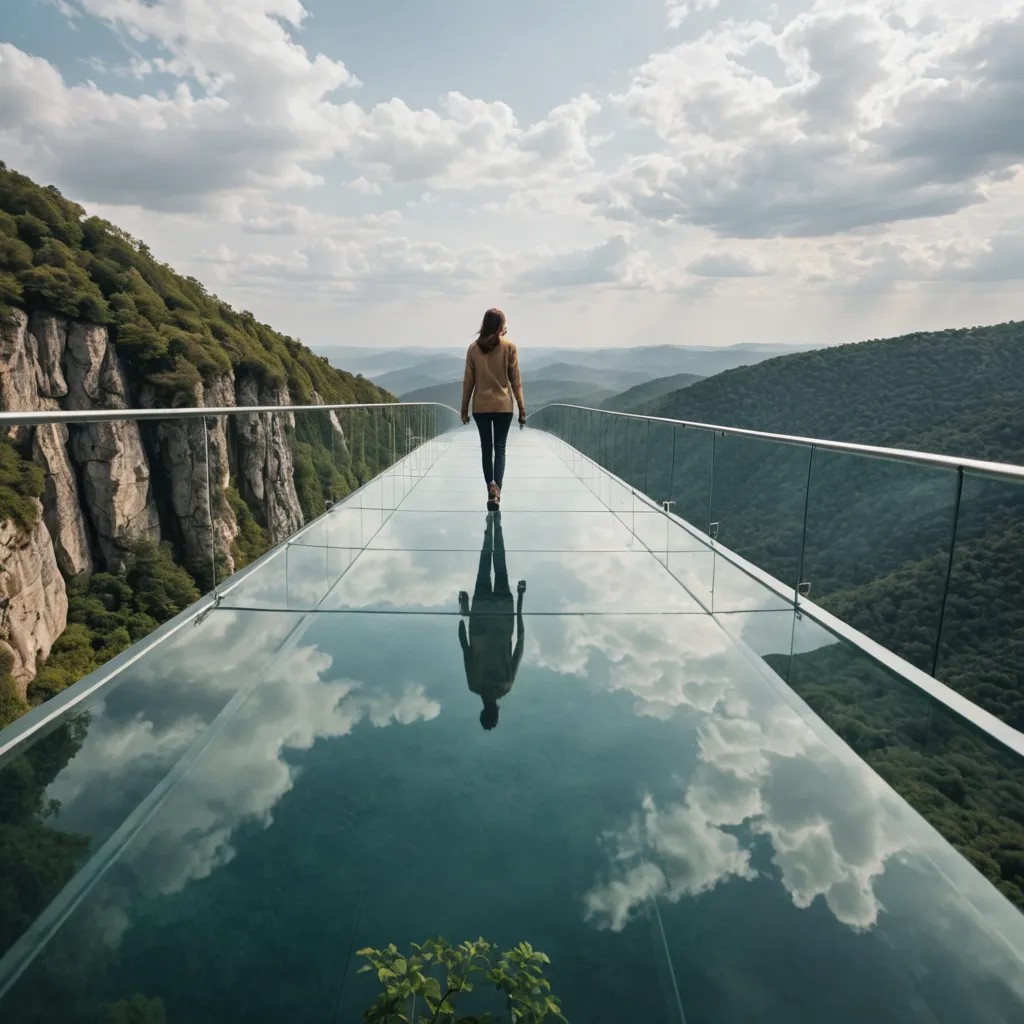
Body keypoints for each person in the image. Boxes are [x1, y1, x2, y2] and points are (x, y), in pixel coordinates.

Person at [458, 514, 525, 730]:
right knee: (485, 564)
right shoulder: (473, 685)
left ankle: (499, 527)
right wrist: (463, 614)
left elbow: (519, 647)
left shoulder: (506, 686)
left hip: (504, 619)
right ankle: (490, 527)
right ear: (481, 711)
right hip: (479, 619)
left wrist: (520, 604)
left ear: (495, 711)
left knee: (501, 565)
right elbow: (465, 649)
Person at [460, 308, 527, 511]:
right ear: (500, 326)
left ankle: (490, 485)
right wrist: (522, 409)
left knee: (486, 449)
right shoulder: (510, 347)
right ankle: (497, 492)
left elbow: (468, 382)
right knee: (500, 449)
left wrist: (464, 408)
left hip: (481, 406)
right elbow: (516, 382)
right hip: (503, 407)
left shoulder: (473, 349)